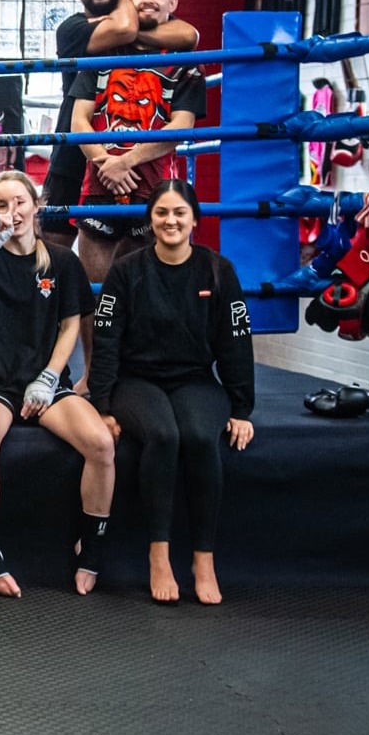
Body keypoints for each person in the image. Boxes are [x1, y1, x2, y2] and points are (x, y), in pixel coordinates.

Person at [0, 170, 112, 598]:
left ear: (36, 206)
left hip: (45, 379)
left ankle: (92, 546)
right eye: (1, 204)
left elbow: (71, 323)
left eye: (20, 202)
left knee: (101, 444)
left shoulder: (60, 260)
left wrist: (50, 376)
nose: (12, 212)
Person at [89, 179, 254, 605]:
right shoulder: (126, 272)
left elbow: (236, 342)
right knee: (163, 436)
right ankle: (158, 555)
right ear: (151, 220)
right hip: (136, 380)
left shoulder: (218, 271)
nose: (171, 221)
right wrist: (102, 404)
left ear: (194, 219)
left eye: (180, 212)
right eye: (161, 212)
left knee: (199, 437)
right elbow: (105, 341)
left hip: (194, 379)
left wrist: (241, 408)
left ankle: (203, 559)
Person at [40, 0, 199, 250]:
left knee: (127, 247)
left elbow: (189, 35)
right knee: (54, 243)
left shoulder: (135, 21)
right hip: (76, 145)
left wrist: (135, 20)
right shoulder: (72, 27)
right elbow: (124, 28)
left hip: (131, 152)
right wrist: (105, 161)